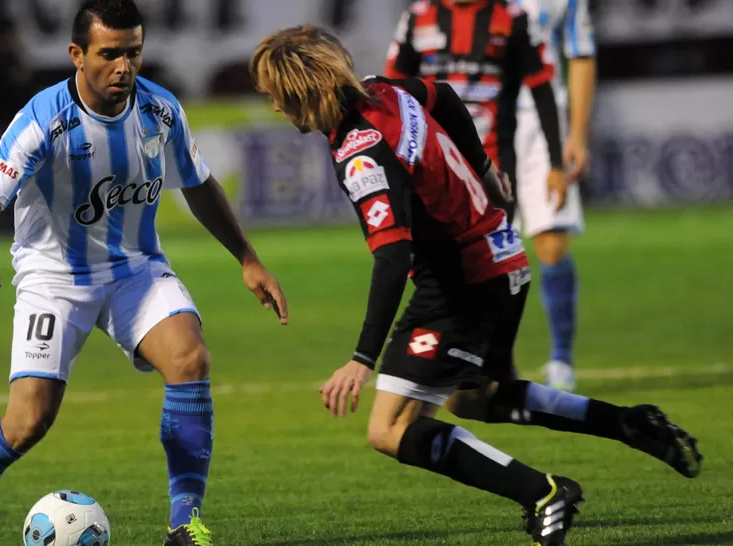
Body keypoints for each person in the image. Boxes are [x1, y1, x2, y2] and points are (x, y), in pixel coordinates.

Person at [250, 25, 701, 546]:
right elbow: (443, 97)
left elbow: (393, 257)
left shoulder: (361, 151)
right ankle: (629, 423)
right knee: (477, 399)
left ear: (298, 92)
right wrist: (486, 172)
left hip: (461, 284)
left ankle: (544, 492)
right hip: (504, 258)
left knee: (389, 428)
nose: (276, 110)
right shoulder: (386, 90)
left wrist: (361, 357)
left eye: (275, 97)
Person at [0, 2, 288, 545]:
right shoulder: (44, 117)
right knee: (27, 422)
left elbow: (198, 184)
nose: (124, 66)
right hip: (54, 278)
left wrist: (248, 258)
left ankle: (184, 523)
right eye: (110, 54)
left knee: (189, 357)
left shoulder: (160, 110)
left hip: (136, 270)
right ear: (77, 55)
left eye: (133, 52)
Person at [383, 0, 584, 389]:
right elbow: (391, 89)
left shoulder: (510, 18)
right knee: (441, 266)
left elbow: (542, 88)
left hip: (494, 167)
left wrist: (556, 164)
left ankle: (497, 365)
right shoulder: (418, 18)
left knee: (494, 267)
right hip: (432, 163)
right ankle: (459, 360)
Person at [507, 0, 596, 390]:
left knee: (552, 243)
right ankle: (494, 361)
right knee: (486, 247)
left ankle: (561, 357)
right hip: (482, 118)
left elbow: (580, 53)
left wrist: (577, 132)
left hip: (544, 119)